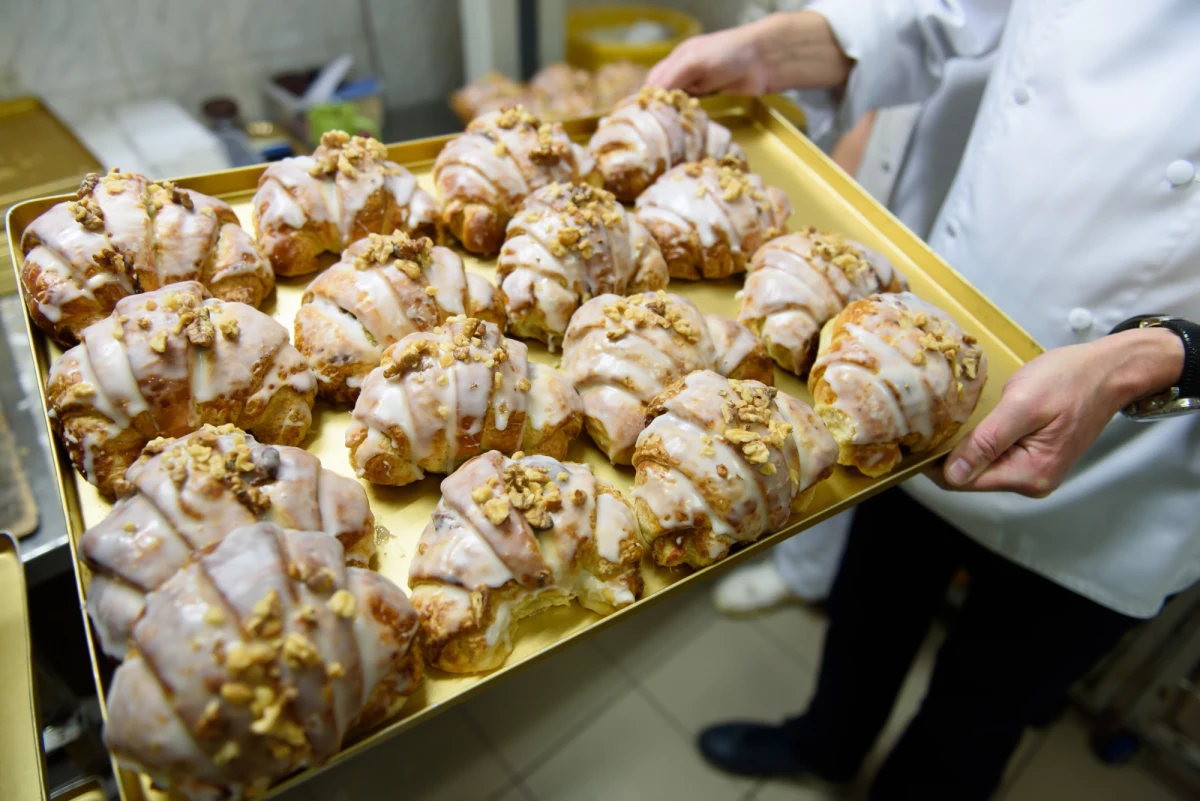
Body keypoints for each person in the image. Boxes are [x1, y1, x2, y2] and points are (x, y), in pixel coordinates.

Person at [647, 2, 1200, 799]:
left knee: (982, 706)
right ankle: (825, 742)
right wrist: (779, 48)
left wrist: (1145, 358)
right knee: (867, 613)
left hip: (1138, 444)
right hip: (919, 361)